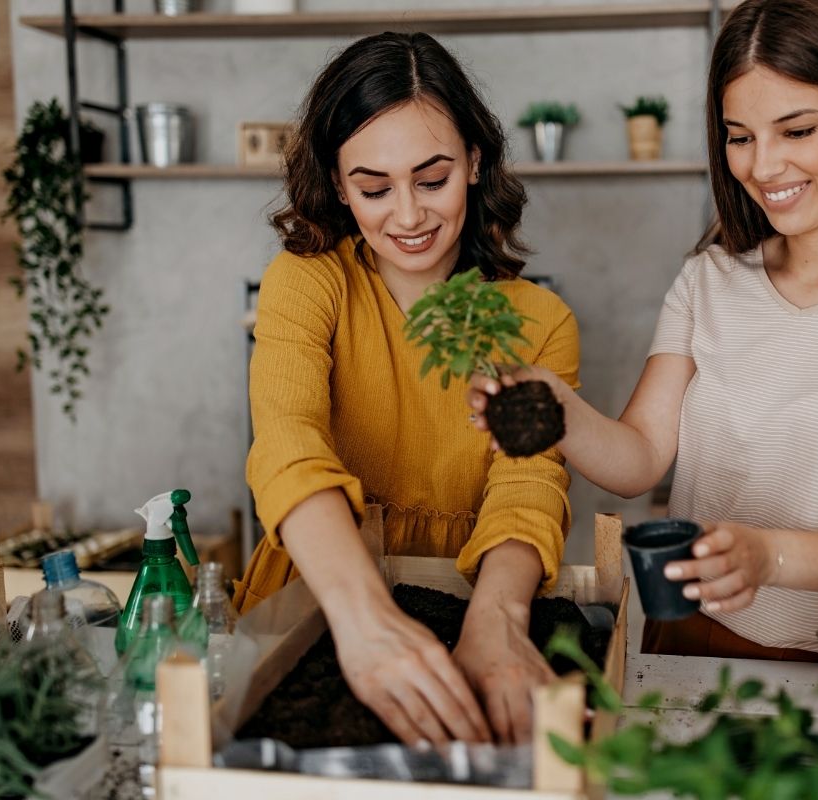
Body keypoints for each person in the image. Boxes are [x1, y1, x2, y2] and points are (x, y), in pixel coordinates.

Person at [471, 0, 818, 661]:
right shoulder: (710, 280)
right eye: (740, 136)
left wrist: (771, 555)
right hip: (679, 639)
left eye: (797, 130)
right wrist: (557, 408)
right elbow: (640, 455)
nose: (763, 166)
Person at [234, 31, 580, 744]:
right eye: (373, 187)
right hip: (314, 599)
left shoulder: (540, 322)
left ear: (475, 161)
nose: (410, 215)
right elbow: (288, 443)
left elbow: (529, 487)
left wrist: (497, 623)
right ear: (336, 183)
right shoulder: (307, 282)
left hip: (472, 593)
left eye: (432, 178)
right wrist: (365, 621)